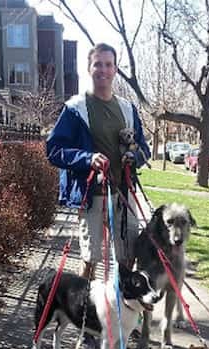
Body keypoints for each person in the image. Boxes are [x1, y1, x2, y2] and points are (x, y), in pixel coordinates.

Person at [47, 43, 150, 281]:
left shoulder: (127, 109)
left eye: (108, 64)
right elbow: (54, 149)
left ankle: (120, 313)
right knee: (90, 259)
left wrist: (134, 157)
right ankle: (85, 314)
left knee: (127, 257)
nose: (103, 69)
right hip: (92, 195)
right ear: (89, 68)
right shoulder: (75, 109)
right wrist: (87, 158)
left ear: (115, 70)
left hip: (123, 194)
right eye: (98, 64)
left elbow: (144, 149)